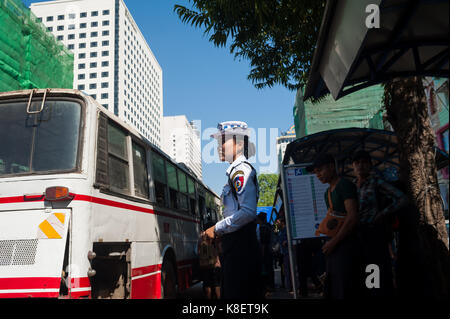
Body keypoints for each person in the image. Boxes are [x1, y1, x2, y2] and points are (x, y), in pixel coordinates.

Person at [201, 121, 263, 299]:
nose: (219, 147)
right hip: (235, 246)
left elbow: (248, 212)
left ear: (240, 144)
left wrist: (216, 228)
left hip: (241, 248)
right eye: (218, 143)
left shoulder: (241, 171)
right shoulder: (233, 173)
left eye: (223, 142)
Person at [351, 150, 408, 298]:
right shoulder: (351, 186)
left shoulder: (377, 182)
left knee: (374, 268)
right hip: (356, 235)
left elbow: (401, 199)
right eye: (357, 163)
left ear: (370, 165)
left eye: (364, 162)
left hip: (374, 233)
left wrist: (382, 213)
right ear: (353, 166)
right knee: (362, 268)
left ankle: (377, 294)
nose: (360, 166)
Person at [307, 153, 362, 299]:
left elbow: (352, 217)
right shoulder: (327, 193)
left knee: (347, 288)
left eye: (320, 170)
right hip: (335, 247)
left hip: (347, 246)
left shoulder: (344, 185)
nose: (317, 174)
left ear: (331, 167)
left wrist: (334, 242)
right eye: (315, 172)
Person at [198, 222, 222, 299]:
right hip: (216, 265)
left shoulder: (201, 239)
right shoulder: (216, 237)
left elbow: (198, 252)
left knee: (207, 286)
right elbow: (220, 250)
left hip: (205, 265)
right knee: (217, 286)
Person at [256, 212, 275, 296]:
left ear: (260, 219)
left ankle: (269, 286)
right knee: (270, 269)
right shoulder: (268, 226)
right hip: (269, 251)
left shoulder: (263, 228)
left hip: (266, 252)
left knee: (267, 269)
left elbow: (263, 243)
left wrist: (262, 255)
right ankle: (271, 285)